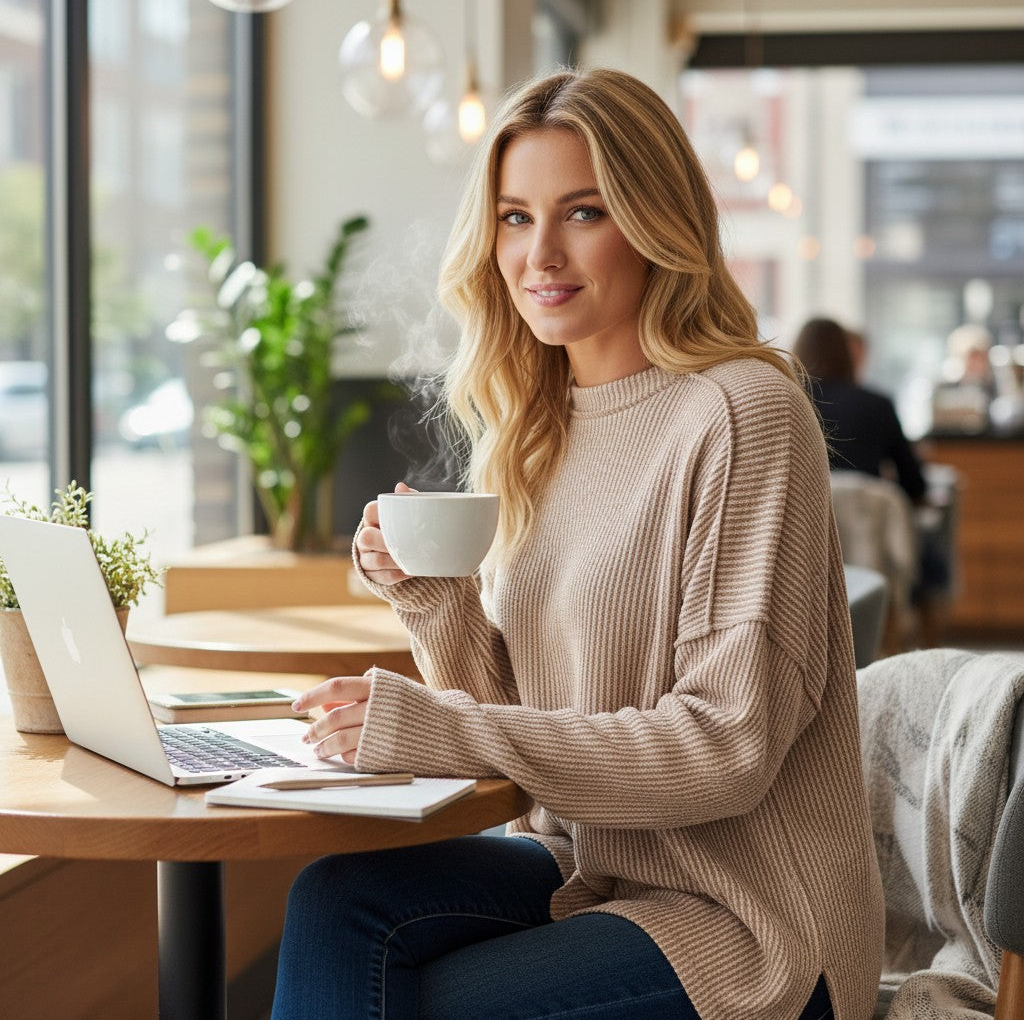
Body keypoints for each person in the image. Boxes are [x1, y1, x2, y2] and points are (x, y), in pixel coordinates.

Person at [271, 68, 884, 1020]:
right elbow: (525, 745)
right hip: (583, 870)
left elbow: (726, 748)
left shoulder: (743, 414)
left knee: (424, 1001)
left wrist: (432, 725)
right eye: (514, 217)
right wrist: (434, 597)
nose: (539, 254)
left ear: (653, 222)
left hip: (743, 921)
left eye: (583, 212)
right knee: (337, 902)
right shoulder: (533, 429)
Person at [794, 316, 926, 503]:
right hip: (870, 524)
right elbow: (914, 484)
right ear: (846, 354)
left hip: (806, 525)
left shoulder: (790, 404)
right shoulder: (878, 405)